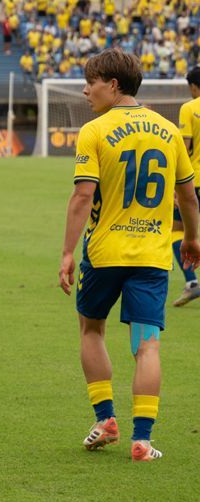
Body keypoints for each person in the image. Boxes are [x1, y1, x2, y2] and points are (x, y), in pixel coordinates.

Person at [59, 49, 200, 463]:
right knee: (147, 345)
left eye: (91, 83)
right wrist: (192, 239)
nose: (86, 91)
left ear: (113, 84)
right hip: (152, 255)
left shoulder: (95, 130)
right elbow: (188, 197)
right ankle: (142, 440)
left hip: (105, 253)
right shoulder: (168, 130)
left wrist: (67, 251)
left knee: (91, 329)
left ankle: (106, 419)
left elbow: (83, 195)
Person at [173, 67, 200, 307]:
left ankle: (192, 282)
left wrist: (175, 183)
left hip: (194, 181)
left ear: (193, 86)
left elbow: (184, 147)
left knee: (176, 230)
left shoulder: (189, 108)